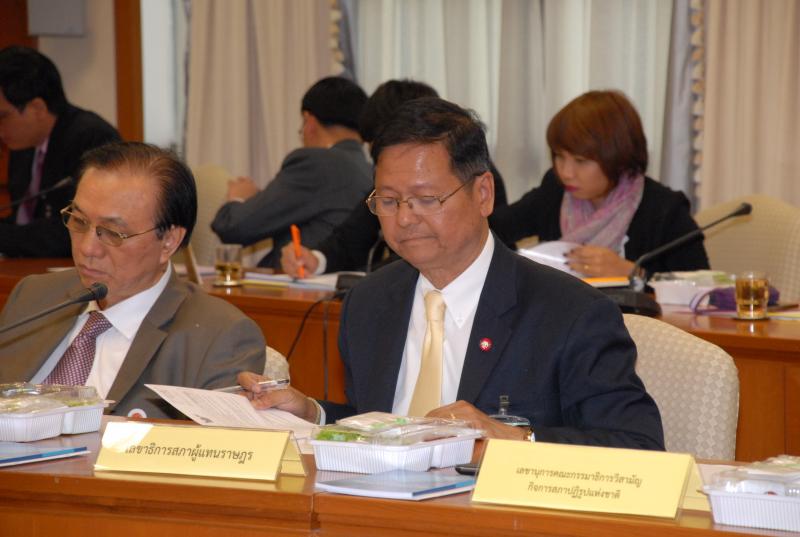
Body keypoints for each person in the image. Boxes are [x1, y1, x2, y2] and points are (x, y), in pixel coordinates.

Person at [241, 98, 664, 450]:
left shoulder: (570, 312)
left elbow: (639, 445)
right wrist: (312, 413)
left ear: (483, 194)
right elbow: (382, 424)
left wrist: (516, 439)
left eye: (426, 199)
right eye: (388, 201)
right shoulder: (368, 302)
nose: (404, 218)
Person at [0, 142, 266, 419]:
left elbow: (217, 444)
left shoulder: (219, 337)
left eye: (112, 233)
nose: (87, 248)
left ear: (169, 241)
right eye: (79, 222)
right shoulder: (32, 296)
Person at [280, 79, 510, 277]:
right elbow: (352, 237)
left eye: (427, 199)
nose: (404, 219)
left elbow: (426, 253)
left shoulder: (470, 176)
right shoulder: (390, 188)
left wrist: (375, 280)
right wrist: (315, 259)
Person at [490, 90, 709, 278]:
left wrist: (634, 273)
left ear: (618, 158)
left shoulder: (664, 210)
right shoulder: (555, 190)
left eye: (580, 161)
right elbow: (495, 228)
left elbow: (703, 290)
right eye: (559, 156)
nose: (566, 172)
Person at [211, 76, 373, 268]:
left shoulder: (316, 164)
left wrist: (237, 198)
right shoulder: (369, 169)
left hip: (299, 283)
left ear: (309, 121)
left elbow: (233, 227)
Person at [0, 46, 121, 258]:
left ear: (37, 108)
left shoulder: (92, 139)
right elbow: (25, 222)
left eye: (2, 116)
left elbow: (76, 230)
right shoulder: (22, 143)